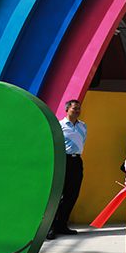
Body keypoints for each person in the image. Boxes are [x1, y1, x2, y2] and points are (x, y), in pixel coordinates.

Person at [49, 99, 87, 240]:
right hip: (63, 161)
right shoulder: (60, 125)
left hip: (76, 160)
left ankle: (62, 225)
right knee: (59, 194)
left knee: (72, 194)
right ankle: (51, 227)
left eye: (79, 108)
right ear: (67, 109)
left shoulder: (83, 126)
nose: (77, 111)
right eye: (74, 108)